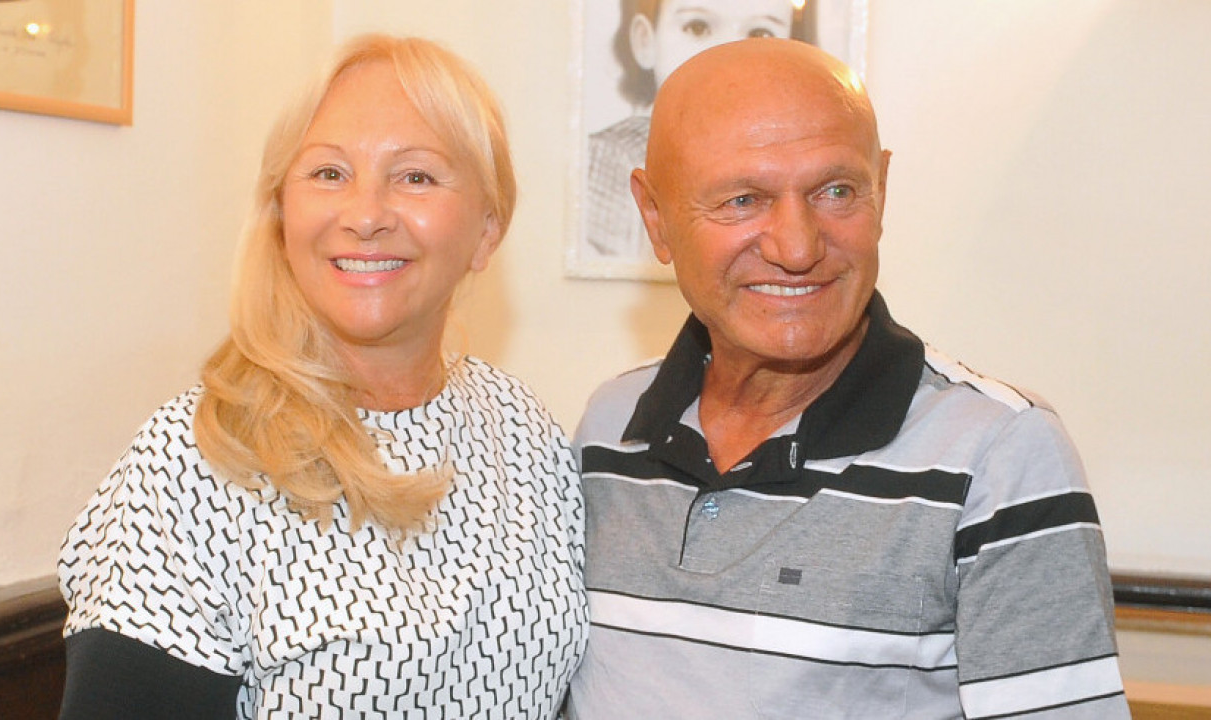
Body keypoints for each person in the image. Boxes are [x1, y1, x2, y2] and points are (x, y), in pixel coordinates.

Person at [569, 38, 1128, 719]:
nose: (798, 247)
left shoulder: (1000, 454)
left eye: (836, 191)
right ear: (655, 218)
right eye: (743, 200)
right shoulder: (606, 433)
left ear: (881, 191)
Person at [58, 34, 588, 719]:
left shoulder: (522, 431)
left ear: (488, 229)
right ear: (282, 215)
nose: (365, 216)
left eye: (415, 177)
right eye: (329, 173)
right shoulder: (194, 463)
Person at [584, 0, 797, 261]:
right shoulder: (613, 156)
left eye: (759, 35)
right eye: (697, 28)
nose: (728, 55)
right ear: (645, 41)